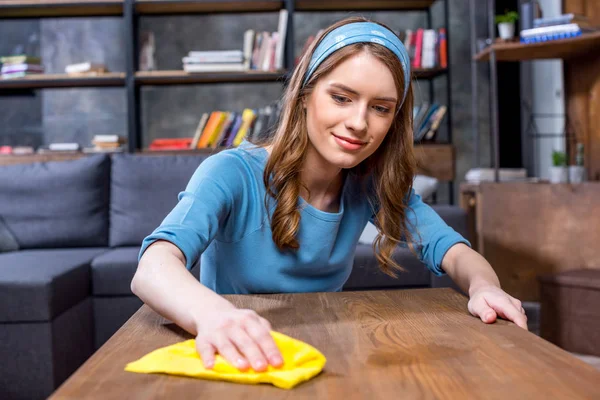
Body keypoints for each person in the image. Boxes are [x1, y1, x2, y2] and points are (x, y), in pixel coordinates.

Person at [131, 17, 528, 374]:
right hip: (236, 355)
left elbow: (453, 250)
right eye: (341, 97)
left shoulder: (369, 183)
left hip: (328, 352)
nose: (358, 123)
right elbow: (153, 267)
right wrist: (212, 314)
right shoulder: (231, 172)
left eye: (381, 108)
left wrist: (484, 287)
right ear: (305, 94)